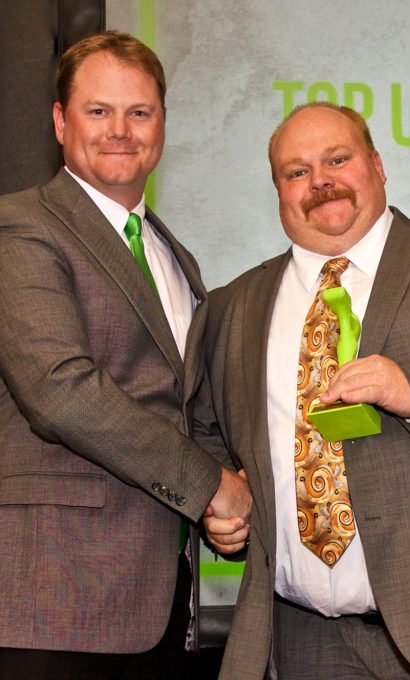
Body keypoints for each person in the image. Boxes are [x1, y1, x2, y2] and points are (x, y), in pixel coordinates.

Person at [202, 102, 410, 679]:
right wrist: (218, 505)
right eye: (297, 171)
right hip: (301, 642)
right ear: (279, 191)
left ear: (378, 165)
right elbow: (207, 430)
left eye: (337, 159)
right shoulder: (232, 305)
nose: (320, 180)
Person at [0, 31, 250, 678]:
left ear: (162, 124)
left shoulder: (174, 256)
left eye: (139, 112)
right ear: (61, 122)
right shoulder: (20, 227)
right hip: (54, 600)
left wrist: (225, 509)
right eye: (98, 111)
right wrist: (210, 486)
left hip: (159, 605)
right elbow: (59, 390)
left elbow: (186, 409)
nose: (120, 130)